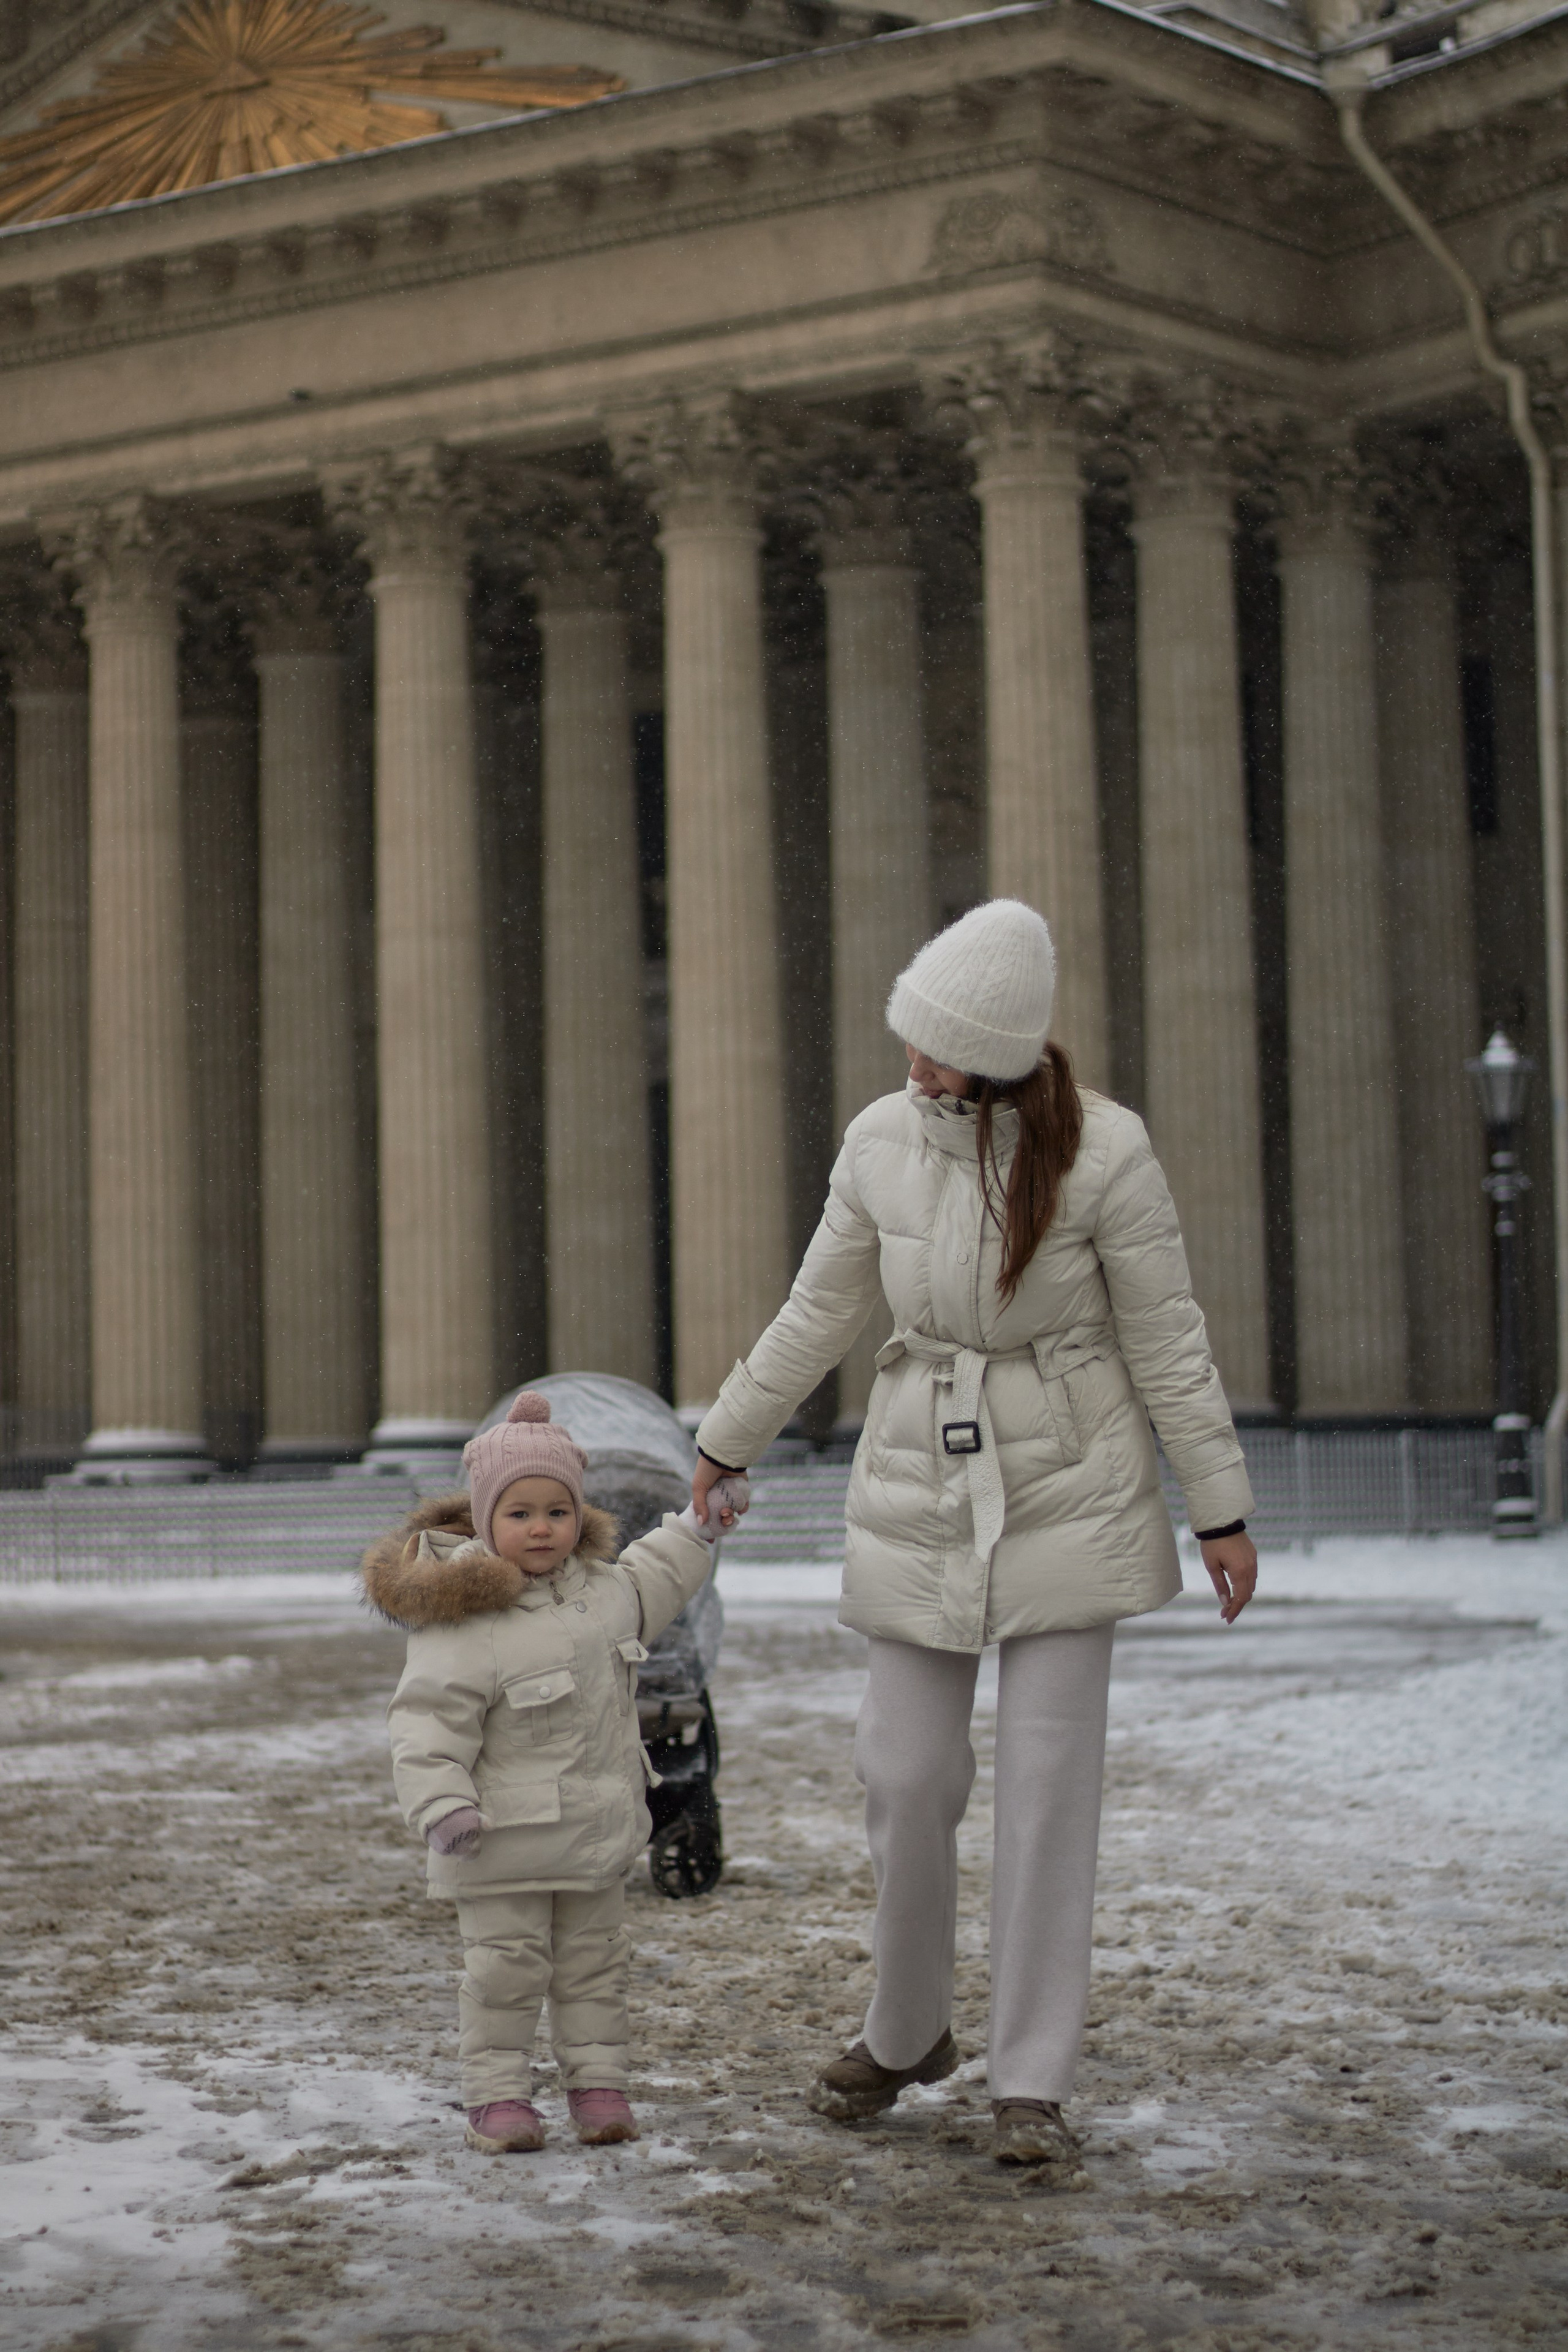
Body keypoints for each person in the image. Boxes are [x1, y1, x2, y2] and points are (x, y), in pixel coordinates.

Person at [691, 898, 1257, 2168]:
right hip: (918, 1475)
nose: (912, 1061)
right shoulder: (878, 1141)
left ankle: (1030, 2082)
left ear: (998, 1051)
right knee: (902, 1775)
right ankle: (904, 2032)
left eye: (936, 1044)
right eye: (909, 1035)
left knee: (1049, 1794)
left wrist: (1216, 1506)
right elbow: (815, 1308)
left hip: (1071, 1477)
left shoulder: (1105, 1153)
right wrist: (727, 1437)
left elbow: (1167, 1335)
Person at [363, 1390, 746, 2154]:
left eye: (557, 1512)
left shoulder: (604, 1595)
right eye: (519, 1513)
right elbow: (425, 1721)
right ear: (482, 1520)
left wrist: (700, 1527)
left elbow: (658, 1573)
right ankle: (498, 2096)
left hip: (594, 1839)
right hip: (499, 1844)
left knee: (595, 1969)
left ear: (579, 1517)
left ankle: (598, 2085)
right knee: (504, 1974)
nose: (541, 1528)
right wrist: (443, 1806)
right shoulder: (462, 1620)